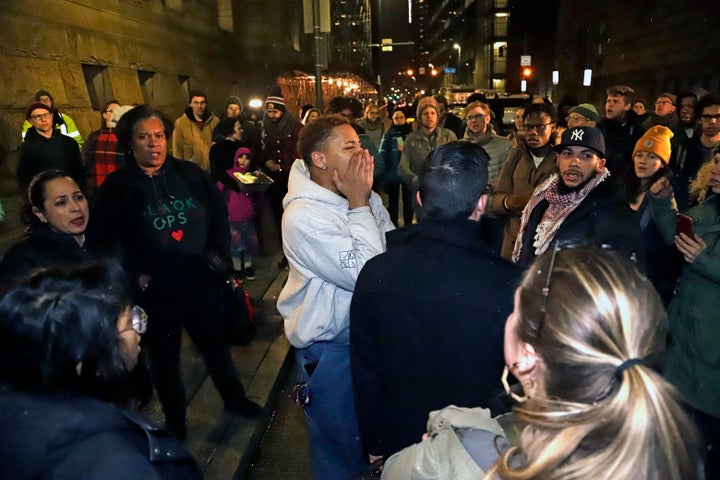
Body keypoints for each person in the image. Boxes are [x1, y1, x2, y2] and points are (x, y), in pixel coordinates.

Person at [381, 246, 700, 480]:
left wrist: (446, 441)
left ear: (526, 357)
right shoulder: (678, 454)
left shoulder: (457, 455)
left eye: (516, 310)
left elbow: (391, 473)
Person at [95, 105, 262, 440]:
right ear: (130, 142)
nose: (154, 144)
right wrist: (135, 275)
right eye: (144, 137)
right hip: (157, 294)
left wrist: (218, 257)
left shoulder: (190, 174)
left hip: (200, 284)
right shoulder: (118, 186)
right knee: (165, 362)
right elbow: (109, 238)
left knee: (216, 348)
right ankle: (176, 420)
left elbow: (217, 215)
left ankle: (235, 399)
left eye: (159, 136)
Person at [351, 142, 521, 462]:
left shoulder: (376, 273)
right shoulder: (510, 284)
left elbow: (366, 374)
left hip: (400, 448)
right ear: (482, 203)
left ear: (419, 199)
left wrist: (375, 446)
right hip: (477, 451)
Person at [0, 264, 203, 479]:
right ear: (86, 356)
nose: (138, 331)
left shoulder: (21, 404)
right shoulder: (115, 464)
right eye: (128, 323)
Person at [277, 114, 394, 479]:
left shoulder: (363, 196)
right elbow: (366, 275)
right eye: (349, 147)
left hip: (365, 337)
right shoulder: (302, 216)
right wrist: (360, 203)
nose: (362, 154)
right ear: (320, 159)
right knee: (338, 445)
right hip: (331, 349)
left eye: (361, 144)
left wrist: (363, 201)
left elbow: (390, 253)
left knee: (369, 436)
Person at [651, 153, 720, 478]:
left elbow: (700, 256)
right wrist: (664, 203)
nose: (717, 170)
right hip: (685, 337)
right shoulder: (710, 209)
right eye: (717, 161)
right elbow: (677, 238)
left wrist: (705, 260)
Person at [513, 126, 644, 268]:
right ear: (558, 159)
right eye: (567, 154)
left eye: (586, 156)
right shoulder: (541, 199)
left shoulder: (614, 211)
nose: (574, 162)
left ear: (600, 165)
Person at [1, 171, 119, 282]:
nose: (76, 208)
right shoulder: (25, 258)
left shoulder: (109, 239)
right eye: (61, 202)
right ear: (40, 213)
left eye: (78, 197)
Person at [621, 126, 683, 304]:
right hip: (620, 278)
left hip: (648, 286)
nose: (643, 161)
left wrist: (662, 200)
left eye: (652, 156)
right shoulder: (622, 189)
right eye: (639, 155)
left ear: (663, 163)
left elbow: (670, 237)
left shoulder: (668, 193)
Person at [489, 102, 558, 259]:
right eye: (528, 127)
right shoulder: (515, 156)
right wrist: (510, 202)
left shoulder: (561, 160)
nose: (533, 132)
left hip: (545, 244)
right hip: (513, 243)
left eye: (540, 127)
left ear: (552, 127)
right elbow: (497, 201)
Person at [461, 101, 511, 252]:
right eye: (470, 118)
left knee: (496, 254)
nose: (474, 120)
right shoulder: (460, 146)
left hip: (495, 211)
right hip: (470, 212)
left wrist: (495, 185)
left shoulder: (504, 145)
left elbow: (511, 177)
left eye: (478, 116)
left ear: (488, 118)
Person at [260, 92, 303, 267]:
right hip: (273, 181)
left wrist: (284, 166)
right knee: (278, 218)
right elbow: (259, 149)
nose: (272, 116)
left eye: (275, 112)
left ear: (282, 112)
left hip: (291, 179)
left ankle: (296, 255)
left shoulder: (296, 128)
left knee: (292, 218)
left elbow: (299, 153)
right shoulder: (263, 128)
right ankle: (285, 253)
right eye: (269, 112)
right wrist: (265, 162)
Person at [398, 96, 457, 220]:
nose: (429, 116)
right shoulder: (411, 139)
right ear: (420, 117)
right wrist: (416, 180)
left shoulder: (449, 136)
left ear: (437, 115)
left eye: (432, 113)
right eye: (425, 113)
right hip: (422, 196)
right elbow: (403, 167)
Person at [17, 102, 86, 193]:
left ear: (52, 116)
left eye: (46, 115)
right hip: (45, 195)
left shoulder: (68, 142)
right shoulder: (26, 147)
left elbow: (79, 171)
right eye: (38, 116)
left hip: (70, 191)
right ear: (31, 121)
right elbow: (23, 177)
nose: (43, 119)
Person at [216, 147, 258, 280]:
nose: (243, 161)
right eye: (241, 157)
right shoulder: (228, 175)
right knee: (235, 243)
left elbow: (258, 193)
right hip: (232, 217)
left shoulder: (250, 177)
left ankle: (248, 266)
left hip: (248, 216)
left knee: (248, 243)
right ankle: (237, 267)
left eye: (247, 158)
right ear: (236, 158)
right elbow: (217, 192)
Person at [377, 109, 414, 227]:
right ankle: (393, 226)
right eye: (396, 118)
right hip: (393, 172)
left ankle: (408, 226)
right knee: (393, 203)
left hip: (408, 171)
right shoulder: (388, 134)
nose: (399, 120)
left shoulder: (412, 133)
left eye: (401, 117)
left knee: (409, 202)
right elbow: (382, 153)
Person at [598, 85, 644, 174]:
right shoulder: (599, 128)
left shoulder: (637, 131)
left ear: (627, 106)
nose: (610, 105)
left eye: (615, 101)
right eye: (608, 101)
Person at [82, 99, 124, 194]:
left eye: (118, 111)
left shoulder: (124, 137)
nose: (115, 114)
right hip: (99, 188)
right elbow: (87, 159)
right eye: (111, 111)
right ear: (104, 115)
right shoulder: (94, 137)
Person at [172, 89, 219, 171]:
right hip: (191, 171)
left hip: (212, 170)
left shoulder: (215, 122)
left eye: (202, 102)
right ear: (190, 104)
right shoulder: (181, 123)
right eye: (196, 103)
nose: (199, 106)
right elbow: (177, 150)